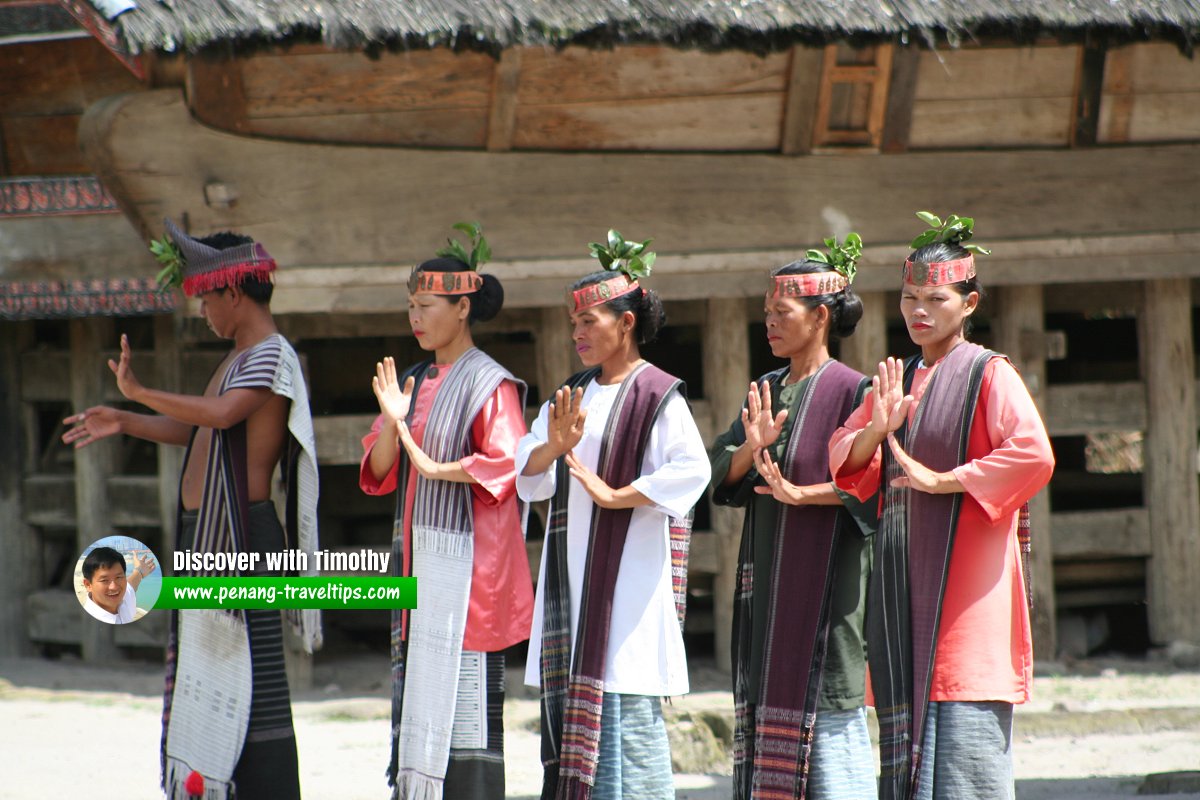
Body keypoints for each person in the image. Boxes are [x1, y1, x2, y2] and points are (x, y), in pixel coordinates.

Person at [62, 218, 320, 800]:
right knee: (216, 686)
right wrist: (125, 418)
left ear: (233, 291)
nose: (202, 310)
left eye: (205, 297)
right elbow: (200, 428)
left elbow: (225, 415)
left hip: (246, 542)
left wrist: (141, 392)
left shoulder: (272, 355)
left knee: (255, 690)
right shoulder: (237, 358)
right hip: (210, 539)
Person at [829, 213, 1054, 800]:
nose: (918, 311)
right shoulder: (899, 378)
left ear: (969, 302)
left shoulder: (988, 373)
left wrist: (946, 480)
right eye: (908, 298)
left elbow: (1033, 454)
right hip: (906, 594)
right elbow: (842, 455)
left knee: (966, 754)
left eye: (935, 297)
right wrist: (876, 430)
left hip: (967, 605)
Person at [518, 231, 711, 800]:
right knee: (588, 708)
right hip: (575, 578)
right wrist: (553, 448)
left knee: (627, 719)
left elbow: (690, 470)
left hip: (630, 584)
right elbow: (523, 467)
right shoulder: (572, 393)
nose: (577, 334)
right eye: (573, 324)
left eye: (590, 323)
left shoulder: (657, 393)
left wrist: (615, 495)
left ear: (626, 323)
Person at [359, 223, 533, 800]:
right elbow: (381, 470)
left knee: (467, 725)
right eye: (410, 306)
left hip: (470, 577)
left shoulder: (491, 383)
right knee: (419, 719)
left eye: (427, 305)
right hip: (418, 572)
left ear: (462, 308)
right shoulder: (411, 380)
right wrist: (393, 417)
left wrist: (437, 469)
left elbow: (504, 463)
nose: (416, 317)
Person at [709, 237, 878, 800]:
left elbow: (874, 488)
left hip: (827, 599)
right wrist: (748, 447)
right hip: (767, 599)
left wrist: (802, 495)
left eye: (781, 313)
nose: (770, 325)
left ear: (821, 316)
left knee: (830, 726)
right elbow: (721, 475)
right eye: (766, 315)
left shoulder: (857, 392)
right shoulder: (766, 390)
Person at [80, 546, 157, 624]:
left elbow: (131, 585)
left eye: (119, 577)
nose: (114, 587)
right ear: (88, 585)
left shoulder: (124, 599)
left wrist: (139, 570)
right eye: (104, 580)